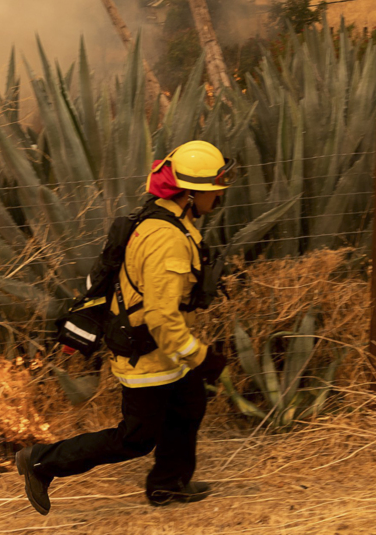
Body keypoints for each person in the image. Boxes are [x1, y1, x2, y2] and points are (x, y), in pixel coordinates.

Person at [15, 141, 235, 514]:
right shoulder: (167, 239)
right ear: (190, 194)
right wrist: (201, 358)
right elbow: (161, 317)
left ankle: (168, 486)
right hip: (147, 354)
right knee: (135, 438)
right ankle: (40, 461)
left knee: (189, 405)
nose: (220, 196)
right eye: (214, 189)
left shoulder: (165, 218)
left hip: (165, 350)